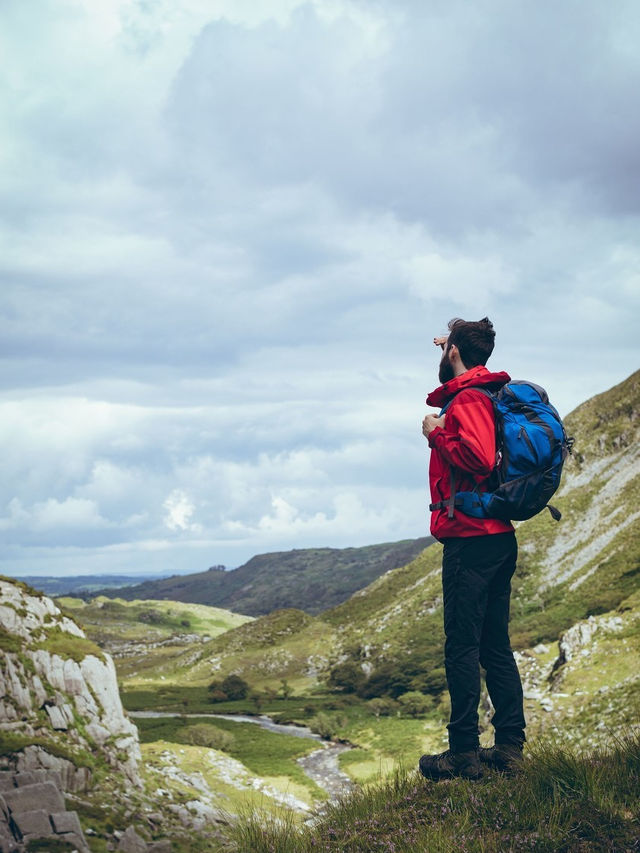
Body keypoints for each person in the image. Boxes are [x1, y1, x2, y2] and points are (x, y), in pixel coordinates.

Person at [418, 317, 526, 781]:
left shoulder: (467, 400)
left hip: (472, 539)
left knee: (462, 647)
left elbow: (479, 458)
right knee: (495, 646)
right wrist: (453, 343)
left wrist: (435, 433)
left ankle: (463, 754)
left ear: (457, 352)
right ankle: (508, 748)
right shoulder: (485, 391)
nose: (442, 352)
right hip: (497, 535)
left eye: (446, 347)